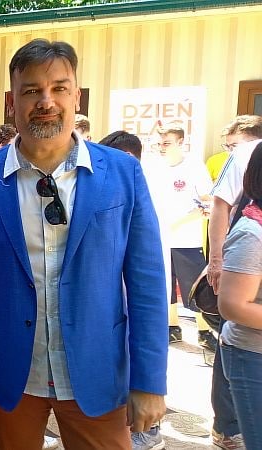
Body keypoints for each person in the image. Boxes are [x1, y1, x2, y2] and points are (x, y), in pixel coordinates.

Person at [0, 39, 168, 450]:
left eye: (58, 88)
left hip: (97, 368)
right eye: (31, 90)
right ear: (12, 102)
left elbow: (147, 284)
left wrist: (149, 380)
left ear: (76, 96)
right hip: (11, 372)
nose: (46, 101)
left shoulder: (122, 173)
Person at [100, 131, 167, 450]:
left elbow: (148, 288)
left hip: (107, 361)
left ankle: (147, 433)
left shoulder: (131, 179)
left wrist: (149, 382)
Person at [206, 115, 262, 450]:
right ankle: (226, 428)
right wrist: (216, 259)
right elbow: (233, 306)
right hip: (251, 351)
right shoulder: (252, 232)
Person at [148, 122, 215, 349]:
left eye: (166, 143)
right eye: (159, 143)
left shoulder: (194, 166)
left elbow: (207, 201)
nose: (161, 148)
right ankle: (172, 327)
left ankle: (204, 331)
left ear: (181, 142)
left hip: (187, 238)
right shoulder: (152, 166)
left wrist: (183, 220)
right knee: (165, 285)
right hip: (158, 238)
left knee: (195, 287)